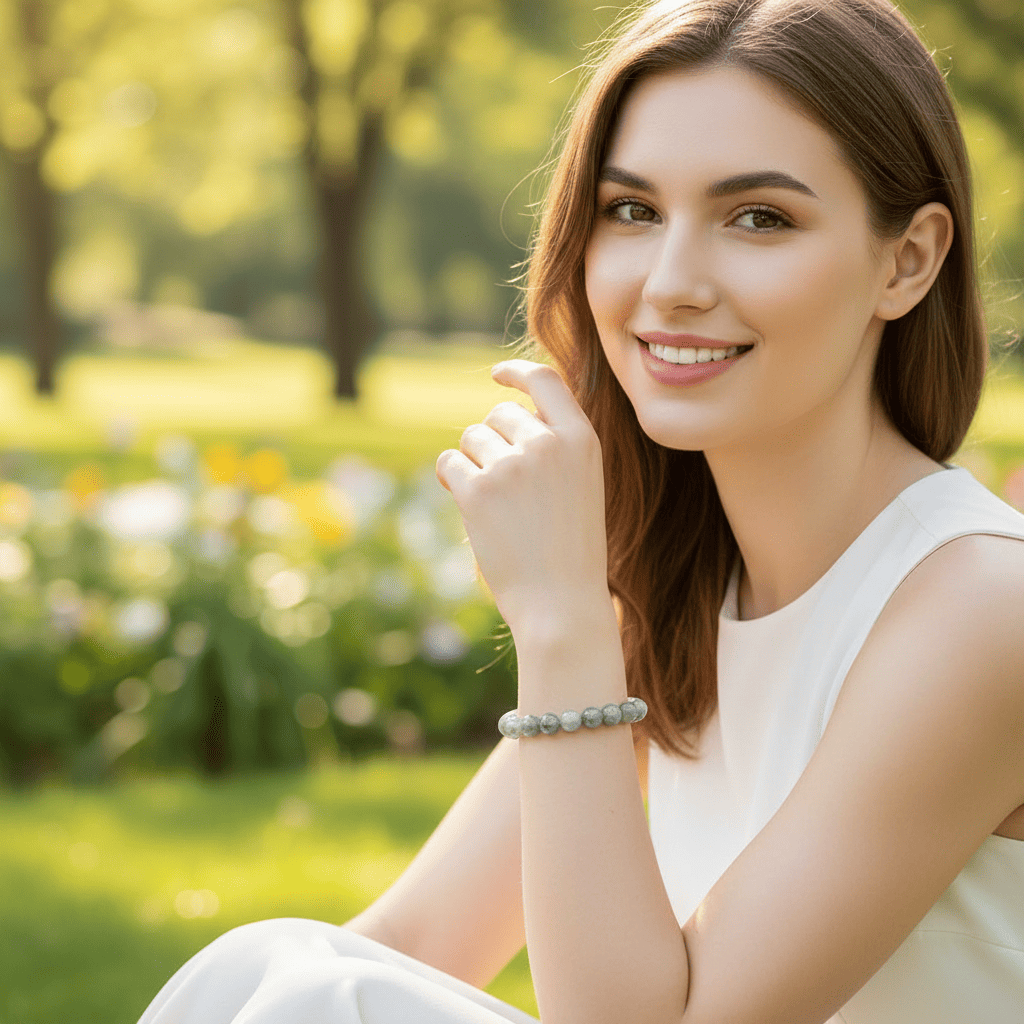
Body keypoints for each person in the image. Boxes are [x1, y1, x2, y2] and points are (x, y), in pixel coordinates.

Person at [137, 1, 1024, 1022]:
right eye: (632, 210)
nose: (671, 283)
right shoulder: (677, 596)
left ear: (907, 260)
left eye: (759, 218)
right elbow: (413, 942)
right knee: (279, 968)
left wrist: (560, 620)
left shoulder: (981, 608)